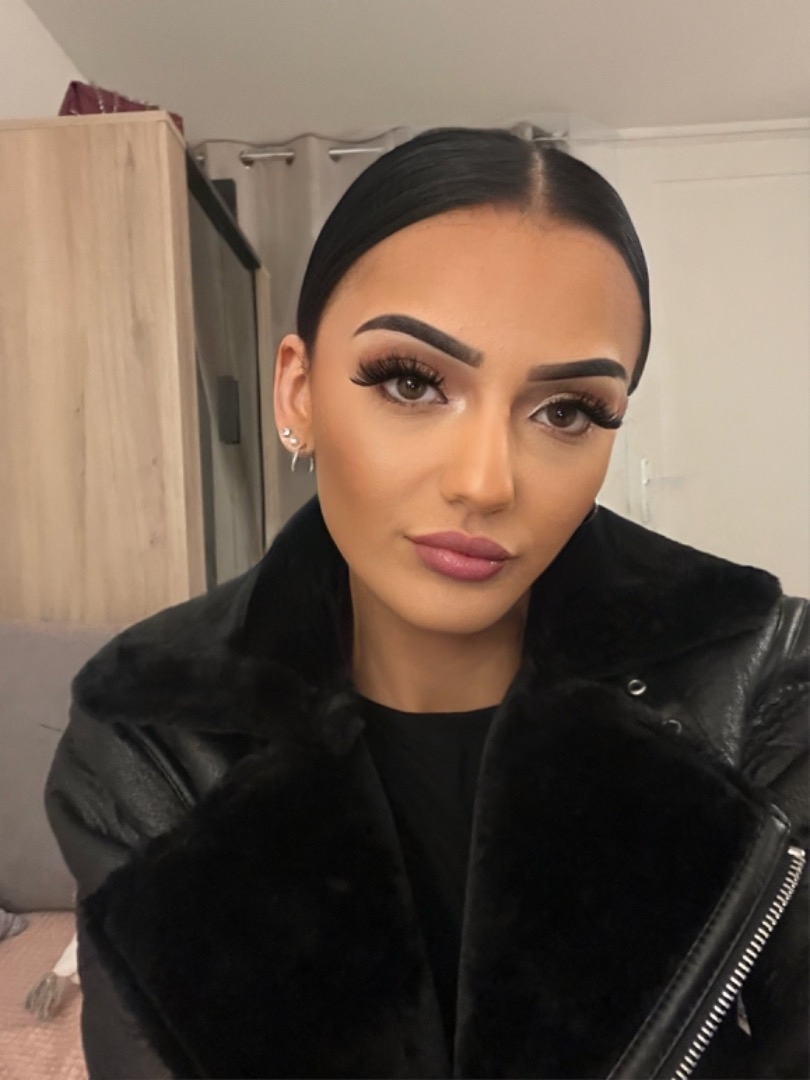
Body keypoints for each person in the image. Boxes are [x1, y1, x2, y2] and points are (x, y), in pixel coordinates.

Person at [46, 127, 808, 1080]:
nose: (485, 482)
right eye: (411, 382)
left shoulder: (765, 677)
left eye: (566, 411)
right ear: (299, 394)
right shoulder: (149, 730)